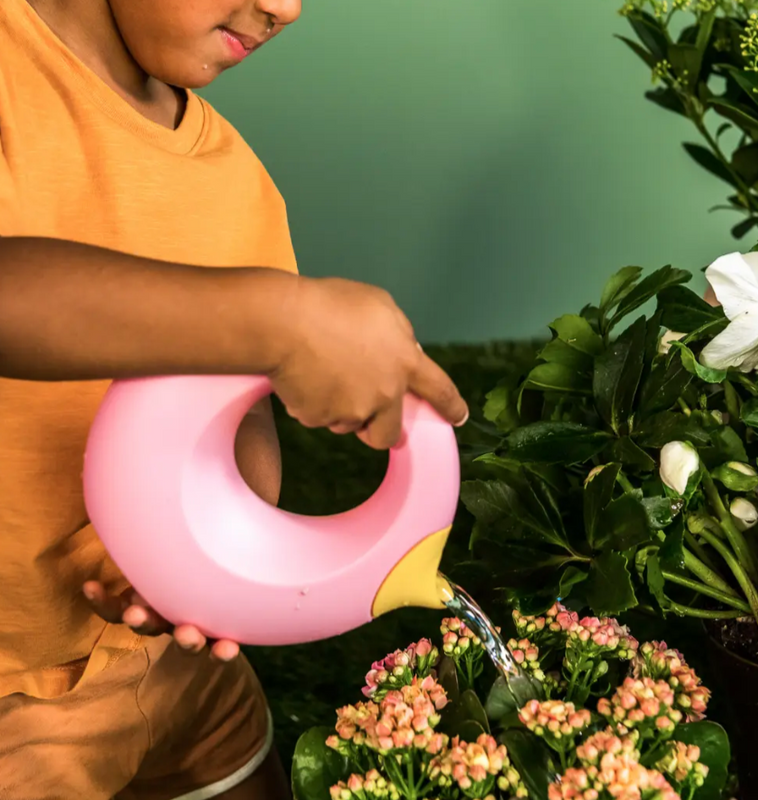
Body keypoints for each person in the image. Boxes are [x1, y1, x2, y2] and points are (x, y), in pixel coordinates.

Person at [0, 1, 469, 798]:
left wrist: (213, 558)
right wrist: (272, 319)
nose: (284, 9)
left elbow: (241, 410)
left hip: (180, 669)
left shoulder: (234, 180)